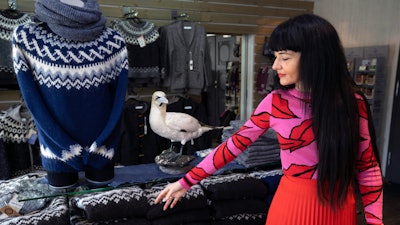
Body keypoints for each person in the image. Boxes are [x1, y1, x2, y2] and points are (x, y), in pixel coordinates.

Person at [155, 14, 384, 225]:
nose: (275, 66)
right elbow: (233, 146)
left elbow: (368, 167)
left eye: (284, 58)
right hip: (292, 207)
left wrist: (376, 222)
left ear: (316, 58)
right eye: (275, 57)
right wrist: (186, 182)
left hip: (339, 209)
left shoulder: (352, 102)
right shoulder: (276, 102)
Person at [12, 0, 128, 188]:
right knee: (61, 211)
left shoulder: (113, 40)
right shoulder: (27, 37)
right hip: (55, 149)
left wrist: (102, 144)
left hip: (102, 148)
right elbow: (33, 101)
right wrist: (64, 148)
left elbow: (118, 102)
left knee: (104, 210)